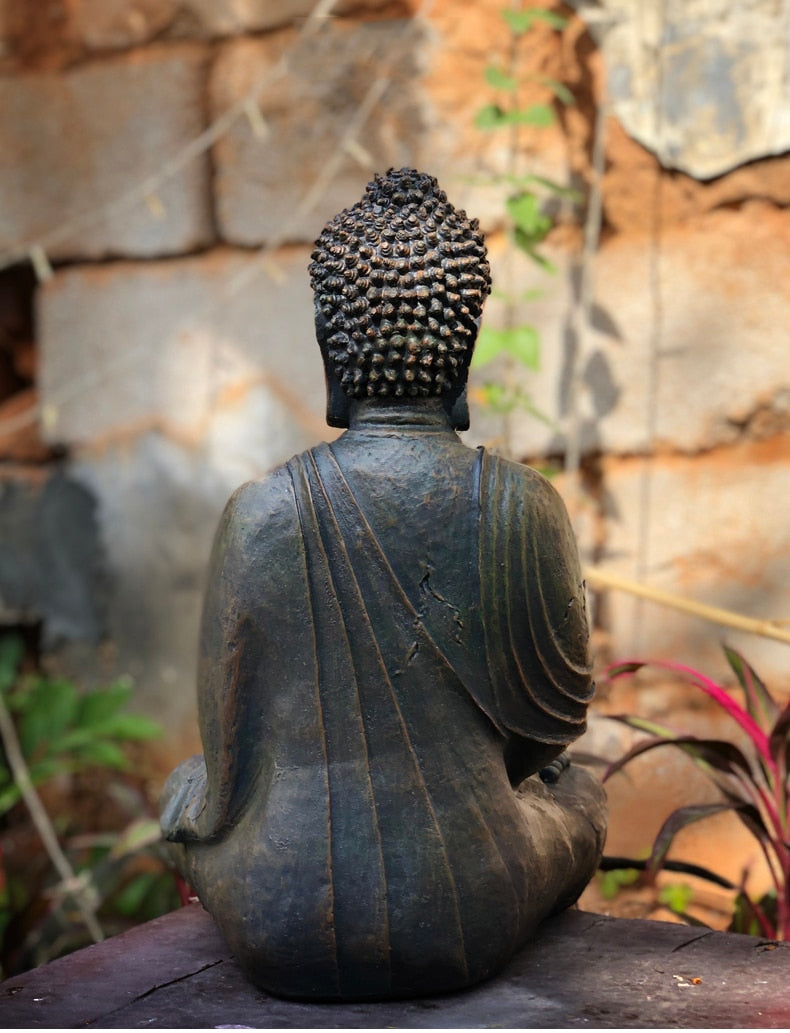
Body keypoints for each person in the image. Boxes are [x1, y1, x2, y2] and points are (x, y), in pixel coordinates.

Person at [160, 168, 606, 1001]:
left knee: (179, 790)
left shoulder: (261, 512)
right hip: (468, 903)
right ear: (463, 353)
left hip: (279, 911)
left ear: (329, 347)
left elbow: (226, 767)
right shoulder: (523, 506)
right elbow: (552, 730)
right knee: (584, 792)